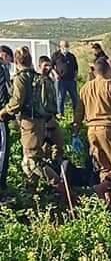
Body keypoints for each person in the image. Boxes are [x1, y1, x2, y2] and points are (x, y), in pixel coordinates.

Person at [73, 57, 111, 199]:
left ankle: (106, 200)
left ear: (95, 71)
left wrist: (75, 132)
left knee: (105, 167)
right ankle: (99, 188)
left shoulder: (85, 88)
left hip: (91, 132)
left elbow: (78, 113)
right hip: (107, 130)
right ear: (108, 71)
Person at [0, 46, 59, 186]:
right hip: (40, 121)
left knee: (33, 161)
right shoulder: (38, 77)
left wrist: (3, 112)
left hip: (29, 123)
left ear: (16, 61)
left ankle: (61, 187)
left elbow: (17, 102)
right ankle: (32, 191)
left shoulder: (21, 78)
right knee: (28, 160)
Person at [38, 56, 64, 163]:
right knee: (45, 148)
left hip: (51, 118)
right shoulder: (39, 81)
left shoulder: (49, 80)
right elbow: (42, 102)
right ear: (39, 66)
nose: (48, 68)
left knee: (58, 145)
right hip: (44, 120)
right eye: (45, 65)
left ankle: (56, 165)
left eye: (49, 65)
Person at [51, 39, 78, 116]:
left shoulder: (71, 56)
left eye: (67, 46)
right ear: (61, 47)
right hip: (61, 81)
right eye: (65, 46)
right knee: (60, 98)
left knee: (75, 98)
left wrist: (75, 76)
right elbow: (51, 66)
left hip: (71, 81)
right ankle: (60, 115)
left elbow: (76, 68)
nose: (66, 48)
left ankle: (77, 115)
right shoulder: (56, 55)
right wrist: (55, 74)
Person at [0, 45, 13, 199]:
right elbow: (2, 92)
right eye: (9, 58)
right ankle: (1, 188)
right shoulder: (1, 69)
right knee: (2, 151)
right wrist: (6, 112)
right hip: (0, 116)